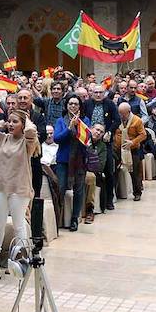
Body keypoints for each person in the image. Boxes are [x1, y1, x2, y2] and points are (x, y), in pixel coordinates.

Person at [0, 109, 39, 254]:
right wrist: (2, 123)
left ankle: (22, 256)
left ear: (23, 125)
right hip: (0, 186)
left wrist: (26, 119)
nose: (11, 124)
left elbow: (31, 131)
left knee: (18, 224)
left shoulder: (28, 142)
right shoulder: (3, 138)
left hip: (19, 188)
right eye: (10, 121)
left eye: (15, 122)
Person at [54, 96, 91, 230]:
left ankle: (75, 218)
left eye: (76, 104)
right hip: (63, 160)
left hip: (79, 160)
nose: (73, 106)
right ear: (67, 106)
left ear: (80, 106)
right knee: (61, 188)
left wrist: (79, 126)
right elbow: (57, 138)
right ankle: (57, 217)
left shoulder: (85, 120)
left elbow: (87, 139)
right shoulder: (60, 121)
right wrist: (69, 128)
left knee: (79, 189)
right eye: (71, 104)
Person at [16, 89, 46, 197]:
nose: (22, 100)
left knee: (34, 192)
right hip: (15, 160)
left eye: (25, 98)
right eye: (20, 98)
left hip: (33, 159)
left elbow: (42, 135)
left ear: (31, 100)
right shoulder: (11, 116)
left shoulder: (39, 117)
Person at [113, 103, 146, 202]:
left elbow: (143, 135)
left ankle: (137, 192)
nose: (121, 116)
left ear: (129, 112)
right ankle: (116, 192)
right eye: (120, 113)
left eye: (123, 114)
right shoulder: (117, 119)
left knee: (135, 172)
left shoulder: (137, 120)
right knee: (115, 170)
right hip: (118, 148)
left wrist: (132, 142)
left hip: (132, 149)